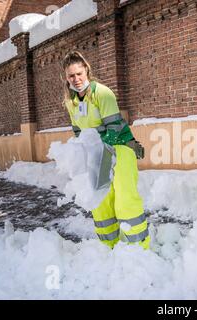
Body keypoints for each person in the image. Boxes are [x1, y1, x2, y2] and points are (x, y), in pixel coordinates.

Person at [62, 51, 150, 249]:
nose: (76, 79)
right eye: (71, 76)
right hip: (98, 153)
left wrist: (97, 148)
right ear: (66, 78)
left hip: (120, 147)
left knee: (125, 200)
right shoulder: (72, 102)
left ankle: (140, 248)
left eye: (79, 74)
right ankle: (109, 247)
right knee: (101, 202)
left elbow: (114, 128)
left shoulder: (102, 93)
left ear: (86, 71)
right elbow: (79, 133)